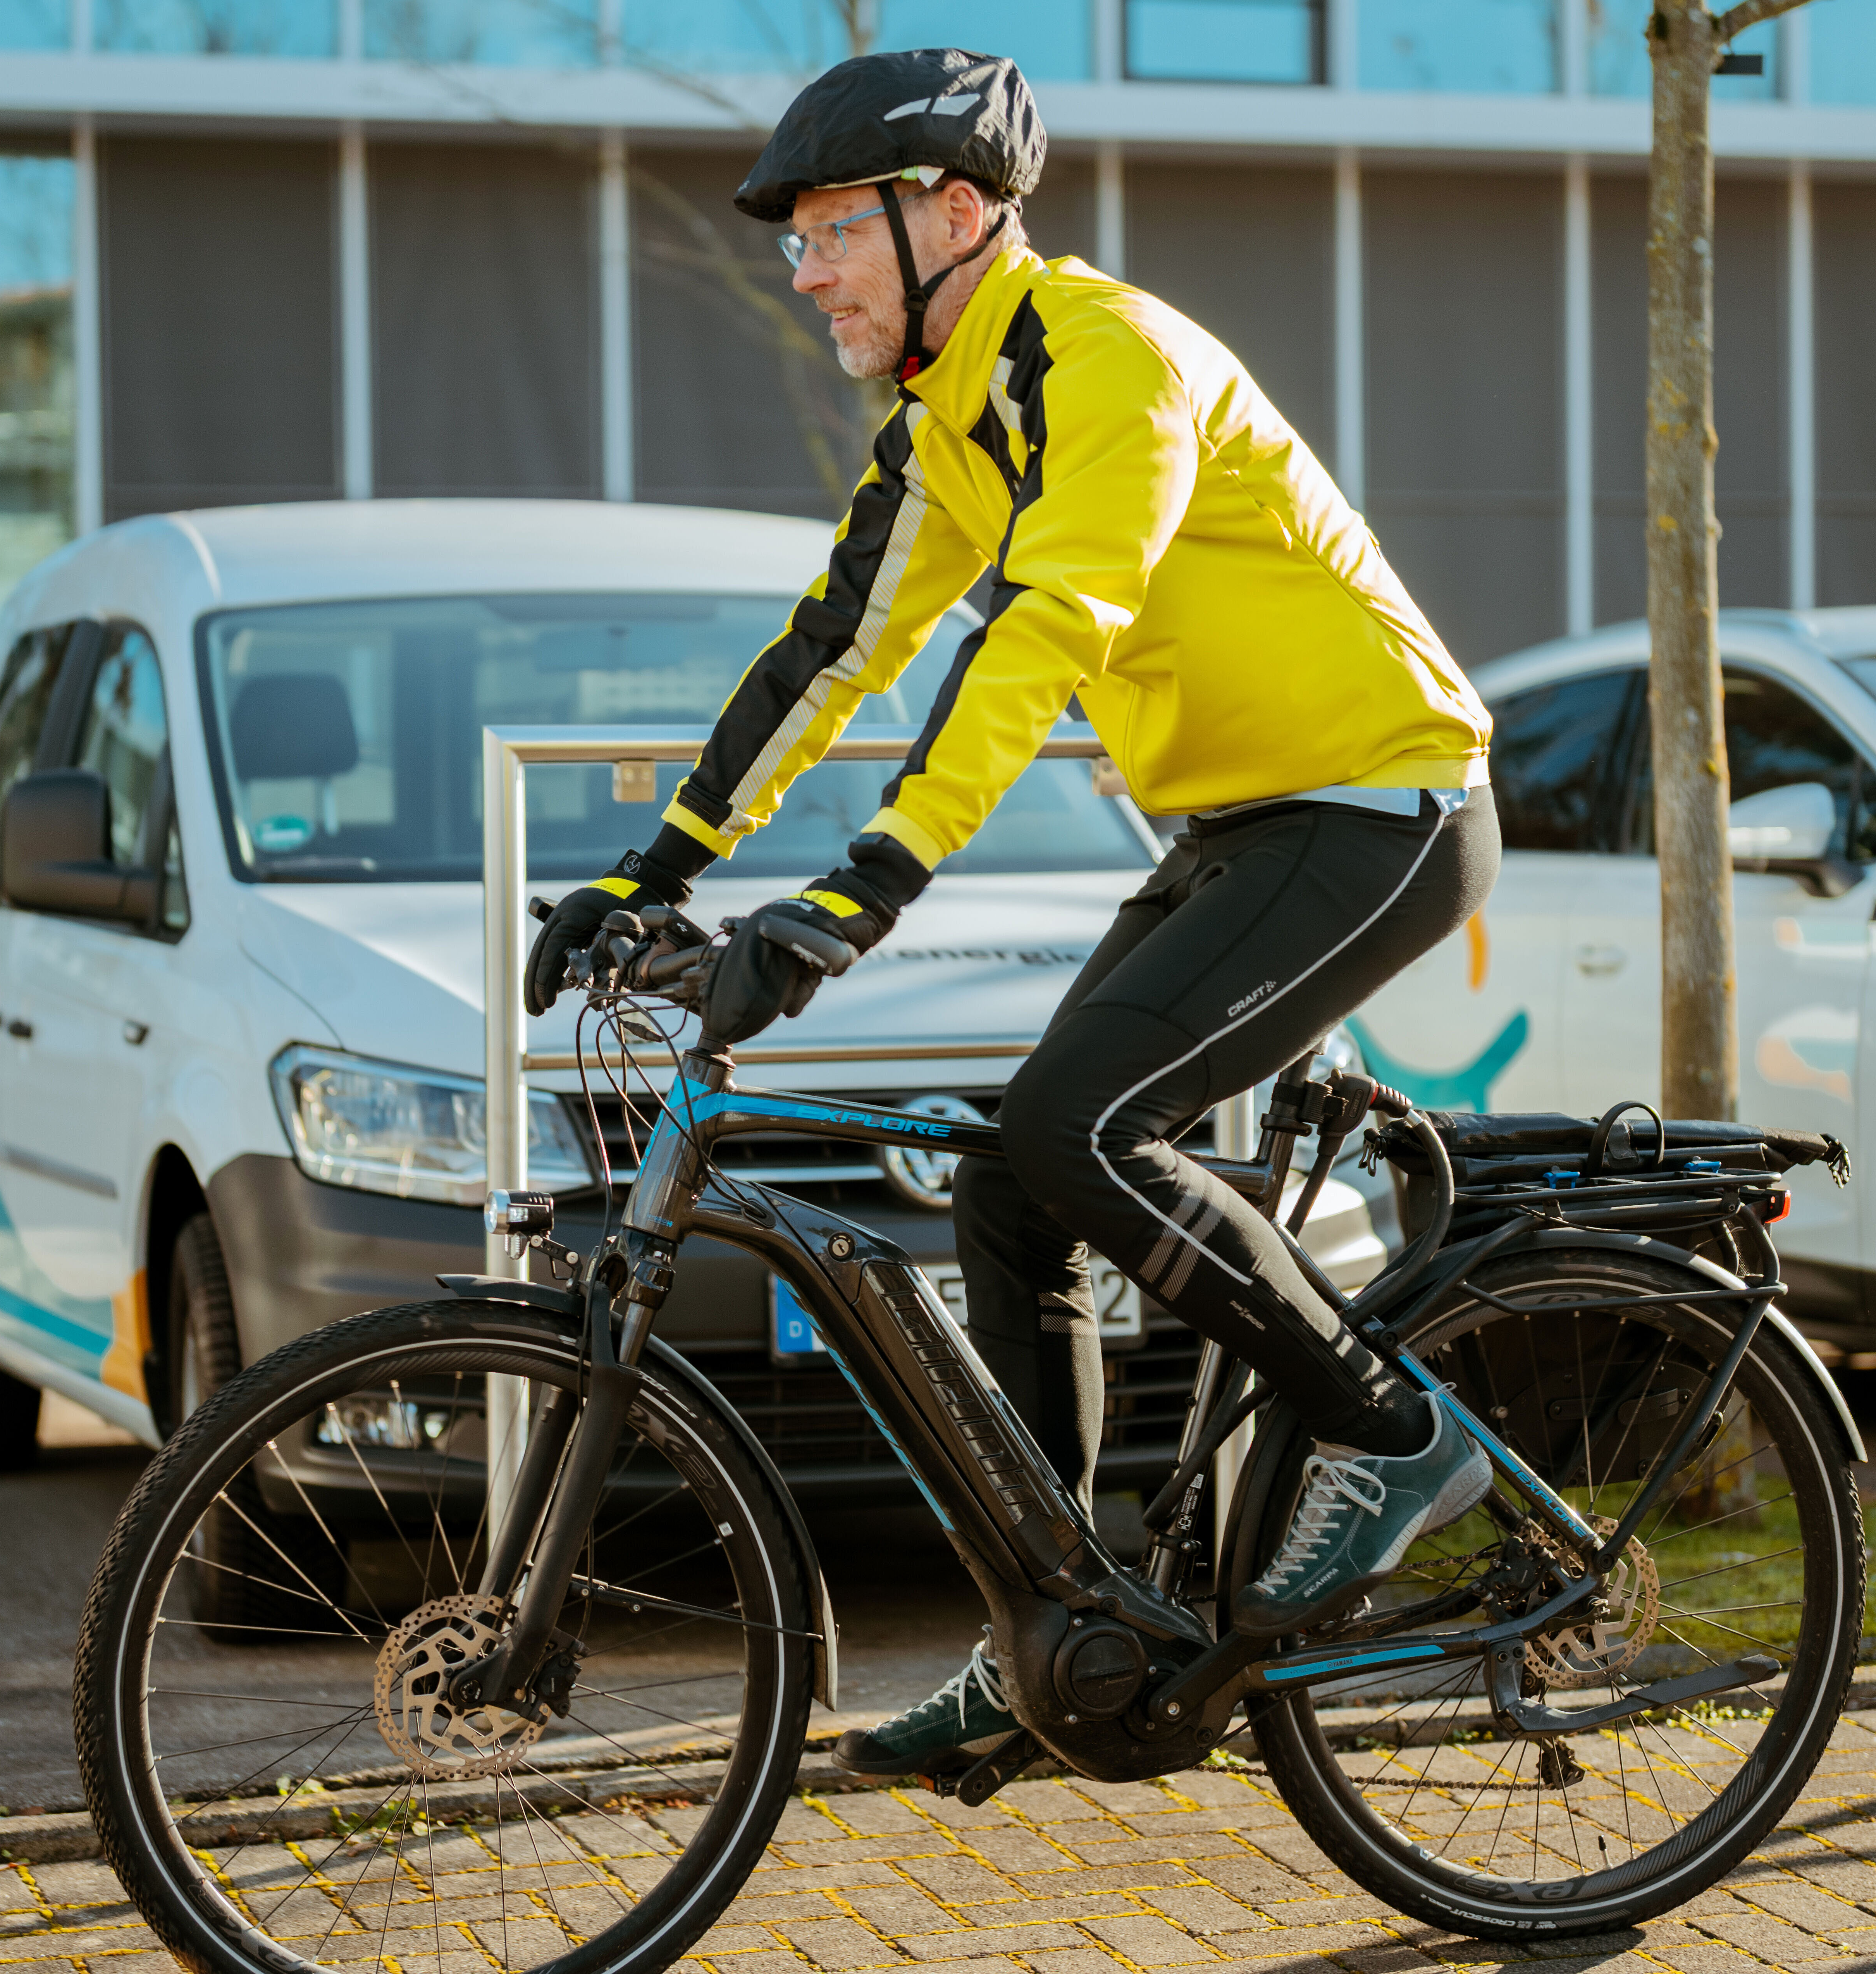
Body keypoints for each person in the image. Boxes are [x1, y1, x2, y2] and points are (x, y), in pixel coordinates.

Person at [521, 46, 1506, 1780]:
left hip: (1383, 801)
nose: (807, 267)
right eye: (799, 239)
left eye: (832, 227)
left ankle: (1393, 1429)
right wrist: (657, 863)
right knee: (1008, 1174)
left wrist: (850, 902)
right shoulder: (952, 414)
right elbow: (836, 650)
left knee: (1079, 1125)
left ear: (957, 215)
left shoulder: (1109, 361)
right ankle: (1063, 1621)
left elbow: (1040, 638)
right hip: (1242, 820)